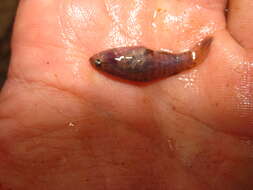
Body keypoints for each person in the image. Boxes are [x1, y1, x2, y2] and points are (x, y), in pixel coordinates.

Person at [0, 0, 252, 189]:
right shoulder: (110, 62)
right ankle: (191, 59)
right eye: (99, 62)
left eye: (98, 62)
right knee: (184, 60)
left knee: (185, 60)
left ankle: (192, 58)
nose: (98, 60)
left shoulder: (108, 61)